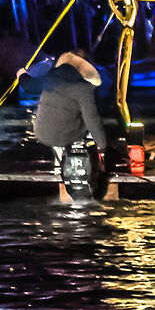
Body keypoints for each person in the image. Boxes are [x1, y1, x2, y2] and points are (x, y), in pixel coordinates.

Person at [29, 51, 108, 201]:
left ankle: (59, 158)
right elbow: (92, 121)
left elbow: (29, 84)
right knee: (87, 125)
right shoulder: (84, 89)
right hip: (67, 135)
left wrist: (21, 74)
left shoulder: (50, 79)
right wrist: (102, 147)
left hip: (42, 133)